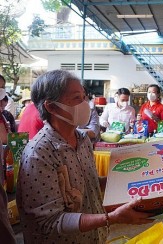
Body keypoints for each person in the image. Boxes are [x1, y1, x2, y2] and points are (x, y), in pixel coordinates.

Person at [16, 70, 153, 243]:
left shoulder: (82, 140)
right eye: (76, 98)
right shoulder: (39, 153)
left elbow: (90, 184)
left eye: (84, 97)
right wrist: (111, 218)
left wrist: (124, 177)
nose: (85, 104)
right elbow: (49, 221)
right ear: (51, 107)